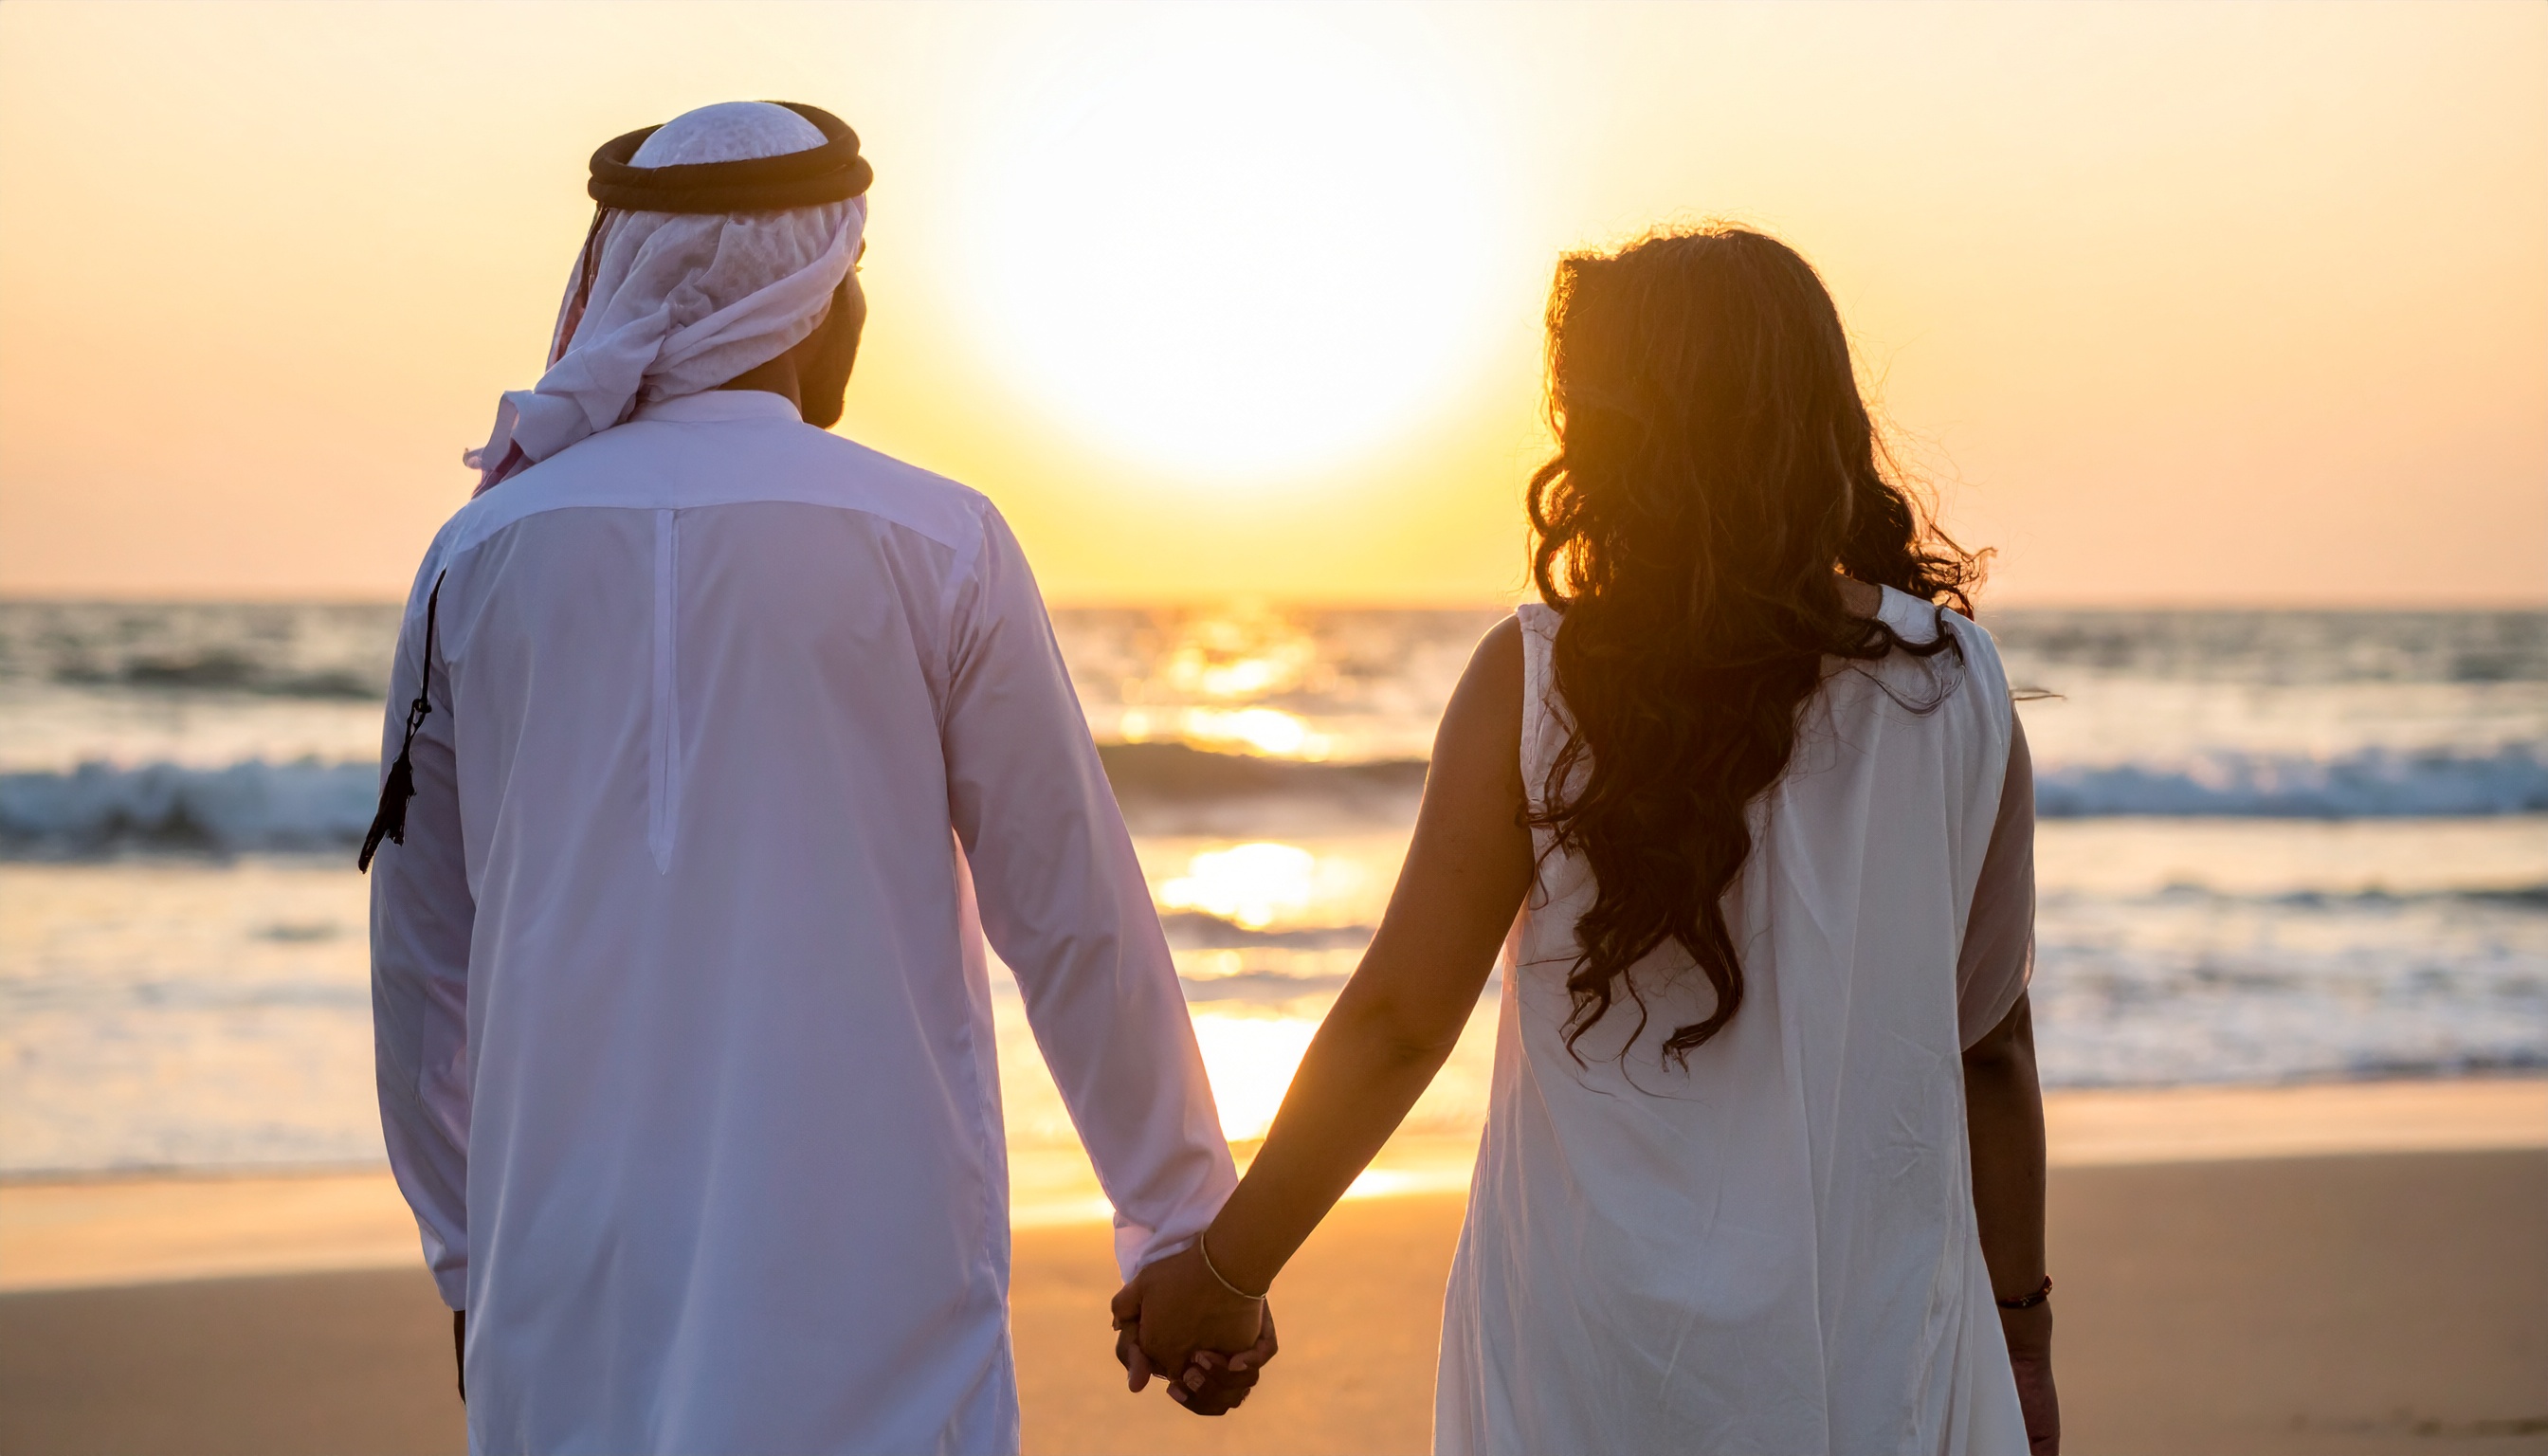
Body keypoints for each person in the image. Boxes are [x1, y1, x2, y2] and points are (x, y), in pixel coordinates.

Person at [365, 100, 1252, 1453]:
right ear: (807, 296)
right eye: (852, 285)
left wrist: (469, 1263)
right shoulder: (939, 539)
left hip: (564, 1305)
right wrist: (1180, 1226)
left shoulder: (475, 558)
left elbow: (424, 970)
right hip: (876, 1293)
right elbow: (1071, 914)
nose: (857, 317)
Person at [1116, 226, 2059, 1454]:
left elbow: (1405, 1019)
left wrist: (1229, 1276)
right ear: (1817, 415)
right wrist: (2023, 1340)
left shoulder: (1544, 676)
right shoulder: (1956, 685)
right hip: (1876, 1351)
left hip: (1593, 1357)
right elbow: (1989, 1042)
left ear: (1616, 435)